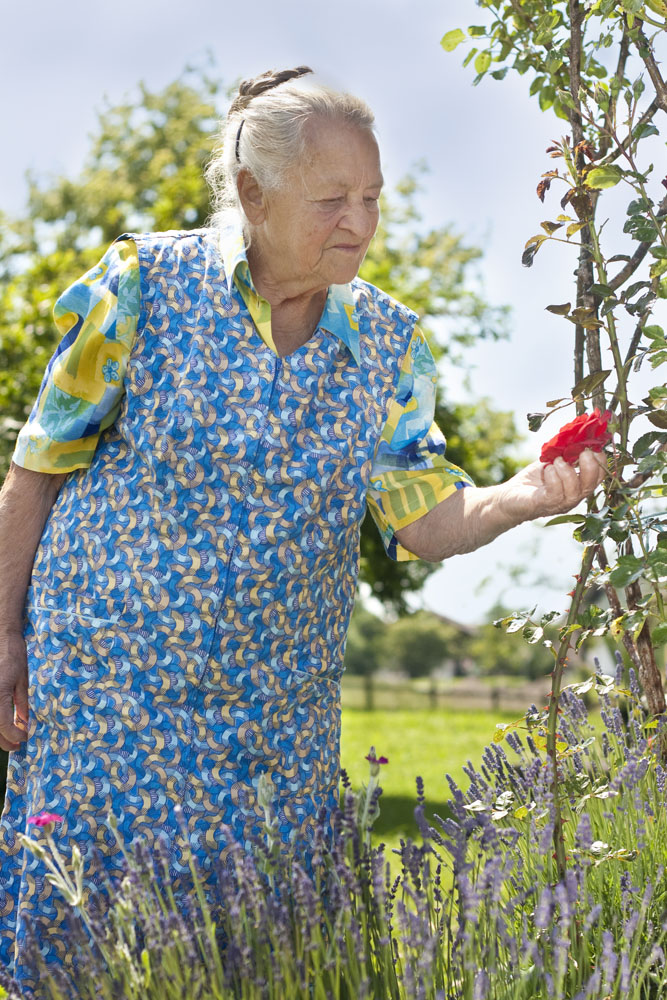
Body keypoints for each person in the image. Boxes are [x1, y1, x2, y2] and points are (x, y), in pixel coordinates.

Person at [0, 66, 605, 984]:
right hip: (109, 692)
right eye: (331, 200)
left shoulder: (385, 345)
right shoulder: (143, 286)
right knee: (99, 950)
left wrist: (524, 494)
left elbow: (425, 520)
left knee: (265, 956)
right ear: (252, 193)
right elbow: (37, 468)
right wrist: (4, 632)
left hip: (272, 718)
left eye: (371, 197)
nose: (359, 224)